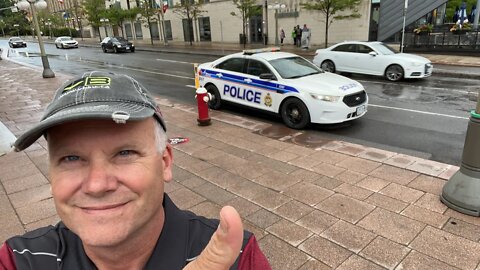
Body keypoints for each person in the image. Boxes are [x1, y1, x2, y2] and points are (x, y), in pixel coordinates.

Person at [0, 71, 271, 270]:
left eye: (125, 153)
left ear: (164, 162)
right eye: (71, 158)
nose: (97, 185)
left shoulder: (237, 258)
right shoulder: (18, 259)